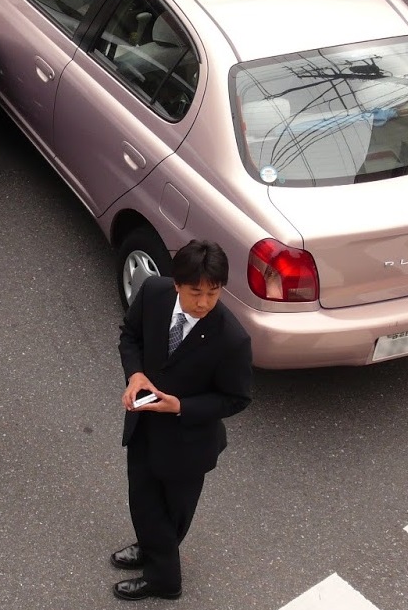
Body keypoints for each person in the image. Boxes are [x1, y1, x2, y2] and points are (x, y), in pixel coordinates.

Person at [111, 239, 253, 601]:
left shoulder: (232, 339)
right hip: (144, 424)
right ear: (176, 283)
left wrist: (181, 406)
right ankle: (151, 548)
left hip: (189, 442)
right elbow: (130, 336)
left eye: (213, 292)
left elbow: (236, 398)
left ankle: (164, 580)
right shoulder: (154, 293)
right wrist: (136, 374)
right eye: (195, 292)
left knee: (173, 512)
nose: (203, 302)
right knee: (142, 498)